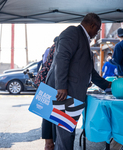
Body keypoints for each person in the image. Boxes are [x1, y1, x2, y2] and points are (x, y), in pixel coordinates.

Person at [44, 13, 111, 150]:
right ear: (92, 25)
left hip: (72, 92)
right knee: (65, 134)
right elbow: (62, 58)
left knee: (67, 131)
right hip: (65, 92)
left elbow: (89, 70)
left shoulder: (84, 38)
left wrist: (106, 84)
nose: (97, 34)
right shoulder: (73, 32)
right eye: (97, 30)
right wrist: (61, 86)